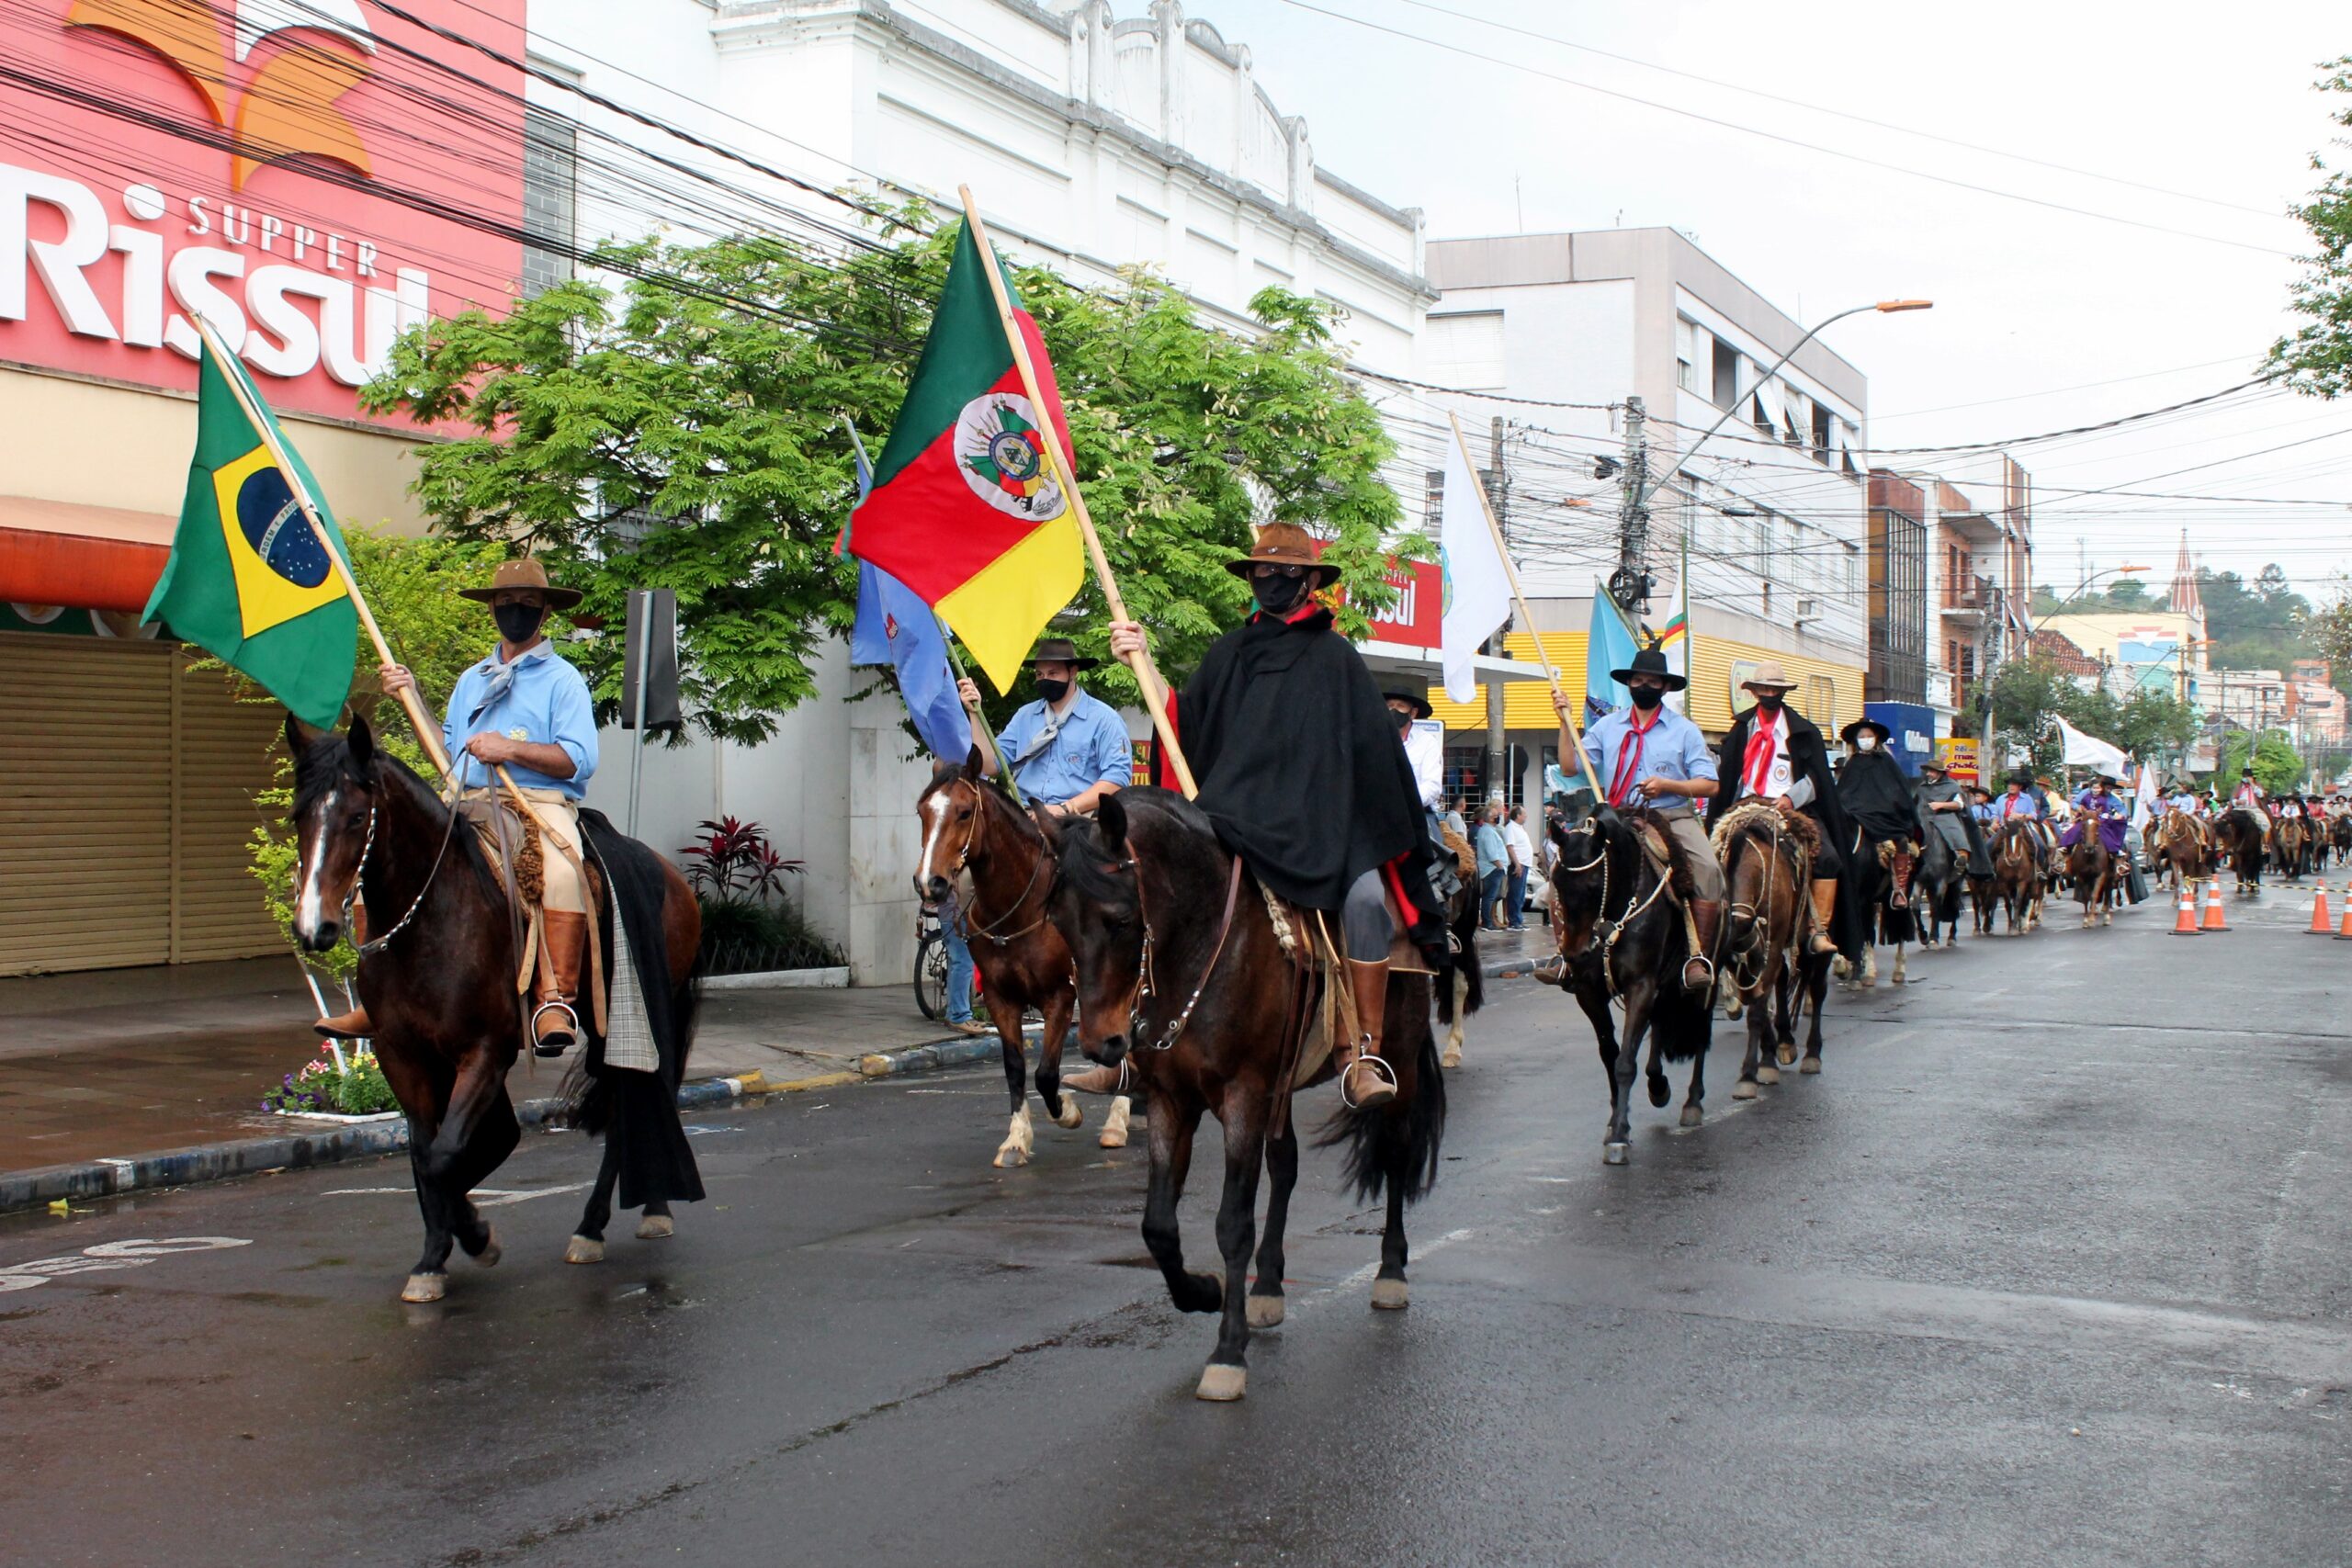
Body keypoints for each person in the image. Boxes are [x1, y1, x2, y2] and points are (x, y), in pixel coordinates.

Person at [1111, 522, 1446, 1110]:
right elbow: (1186, 722)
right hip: (1233, 820)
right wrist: (1145, 665)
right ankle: (1136, 1050)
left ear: (1311, 580)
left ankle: (1361, 1051)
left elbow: (1375, 761)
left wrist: (1355, 824)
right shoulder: (1230, 652)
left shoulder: (1338, 661)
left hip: (1323, 830)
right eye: (1262, 571)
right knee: (1144, 893)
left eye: (1286, 572)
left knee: (1367, 901)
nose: (1272, 580)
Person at [348, 558, 600, 1057]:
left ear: (545, 611)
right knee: (376, 864)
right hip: (465, 800)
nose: (516, 612)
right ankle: (375, 996)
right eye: (506, 603)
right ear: (492, 609)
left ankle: (555, 998)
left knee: (564, 872)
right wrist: (412, 696)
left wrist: (511, 748)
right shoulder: (471, 680)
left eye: (528, 604)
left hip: (535, 803)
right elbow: (447, 757)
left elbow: (579, 759)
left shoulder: (563, 680)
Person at [1563, 644, 1723, 994]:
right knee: (1569, 864)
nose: (1644, 686)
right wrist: (1564, 720)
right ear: (1629, 684)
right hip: (1615, 815)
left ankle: (1699, 955)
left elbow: (1709, 785)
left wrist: (1669, 784)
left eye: (1653, 681)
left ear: (1665, 688)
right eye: (1639, 679)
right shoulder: (1608, 726)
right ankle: (1567, 954)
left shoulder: (1685, 730)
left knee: (1709, 870)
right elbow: (1571, 766)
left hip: (1671, 813)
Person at [1705, 661, 1860, 961]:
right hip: (1746, 806)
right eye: (1764, 689)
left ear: (1782, 692)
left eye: (1775, 689)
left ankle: (1818, 928)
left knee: (1828, 857)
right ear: (1755, 693)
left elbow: (1818, 778)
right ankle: (1714, 927)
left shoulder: (1803, 731)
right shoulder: (1741, 729)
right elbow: (1729, 776)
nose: (1769, 693)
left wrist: (1791, 798)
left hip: (1790, 806)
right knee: (1712, 857)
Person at [958, 637, 1128, 818]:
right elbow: (989, 766)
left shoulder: (1104, 719)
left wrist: (1065, 808)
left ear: (1073, 673)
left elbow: (1117, 778)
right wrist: (975, 713)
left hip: (1078, 819)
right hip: (1025, 816)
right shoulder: (1025, 716)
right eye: (1039, 674)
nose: (1045, 679)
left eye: (1053, 673)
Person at [1918, 756, 1993, 880]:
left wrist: (1941, 804)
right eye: (1927, 771)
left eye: (1931, 771)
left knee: (1954, 828)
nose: (1928, 774)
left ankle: (1961, 855)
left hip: (1945, 816)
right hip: (1925, 816)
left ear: (1940, 773)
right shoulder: (1922, 787)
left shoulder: (1952, 786)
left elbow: (1959, 804)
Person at [1474, 804, 1510, 931]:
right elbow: (1492, 853)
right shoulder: (1488, 832)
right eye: (1496, 816)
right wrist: (1499, 866)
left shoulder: (1488, 830)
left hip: (1493, 869)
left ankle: (1489, 921)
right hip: (1492, 869)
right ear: (1490, 818)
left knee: (1491, 897)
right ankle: (1487, 923)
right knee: (1489, 897)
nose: (1498, 817)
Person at [1502, 805, 1533, 931]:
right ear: (1518, 815)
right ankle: (1514, 921)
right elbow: (1510, 847)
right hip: (1518, 865)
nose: (1526, 816)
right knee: (1515, 893)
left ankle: (1518, 919)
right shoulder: (1511, 828)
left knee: (1520, 895)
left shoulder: (1520, 828)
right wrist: (1517, 864)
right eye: (1524, 814)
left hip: (1525, 864)